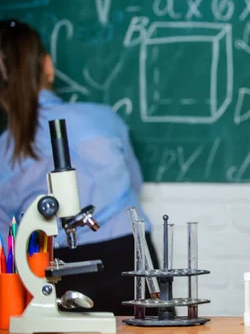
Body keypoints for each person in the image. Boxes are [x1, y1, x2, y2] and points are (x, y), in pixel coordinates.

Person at [0, 19, 158, 315]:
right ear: (47, 66)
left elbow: (5, 242)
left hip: (48, 266)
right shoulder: (103, 119)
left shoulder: (2, 151)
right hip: (130, 257)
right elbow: (134, 185)